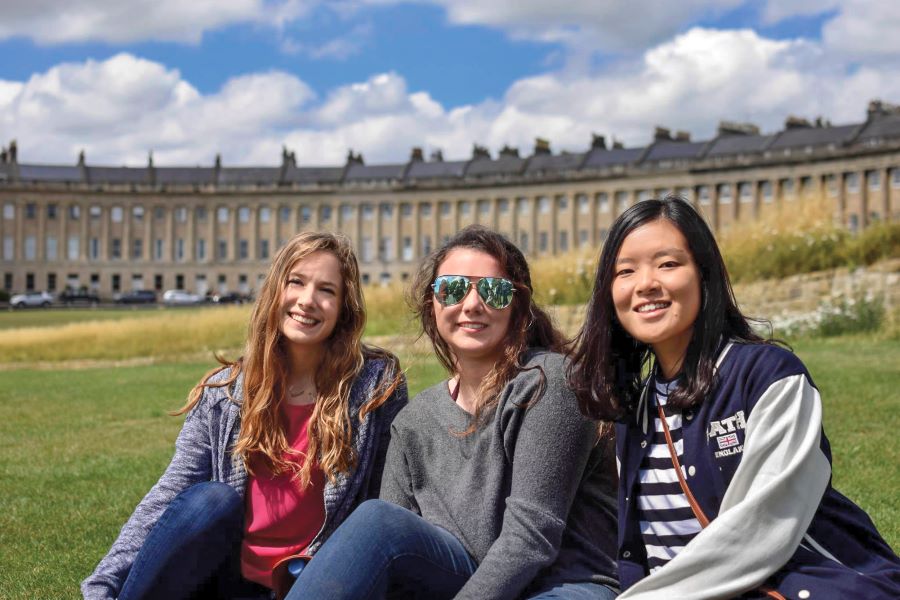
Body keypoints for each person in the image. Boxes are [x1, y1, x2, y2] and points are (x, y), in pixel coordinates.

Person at [568, 196, 900, 599]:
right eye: (625, 271)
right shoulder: (634, 411)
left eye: (668, 264)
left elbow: (759, 533)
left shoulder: (770, 376)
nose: (646, 283)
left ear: (704, 275)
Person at [286, 225, 619, 600]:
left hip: (560, 585)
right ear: (433, 304)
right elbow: (392, 551)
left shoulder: (549, 383)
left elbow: (531, 540)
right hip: (463, 581)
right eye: (453, 289)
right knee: (376, 520)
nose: (472, 304)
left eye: (493, 291)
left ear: (517, 306)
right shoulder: (413, 423)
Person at [82, 232, 407, 600]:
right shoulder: (225, 391)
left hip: (312, 581)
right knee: (210, 500)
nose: (307, 300)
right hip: (227, 578)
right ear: (274, 291)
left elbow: (386, 502)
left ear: (344, 307)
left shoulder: (375, 385)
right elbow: (171, 492)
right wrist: (103, 583)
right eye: (295, 282)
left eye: (326, 290)